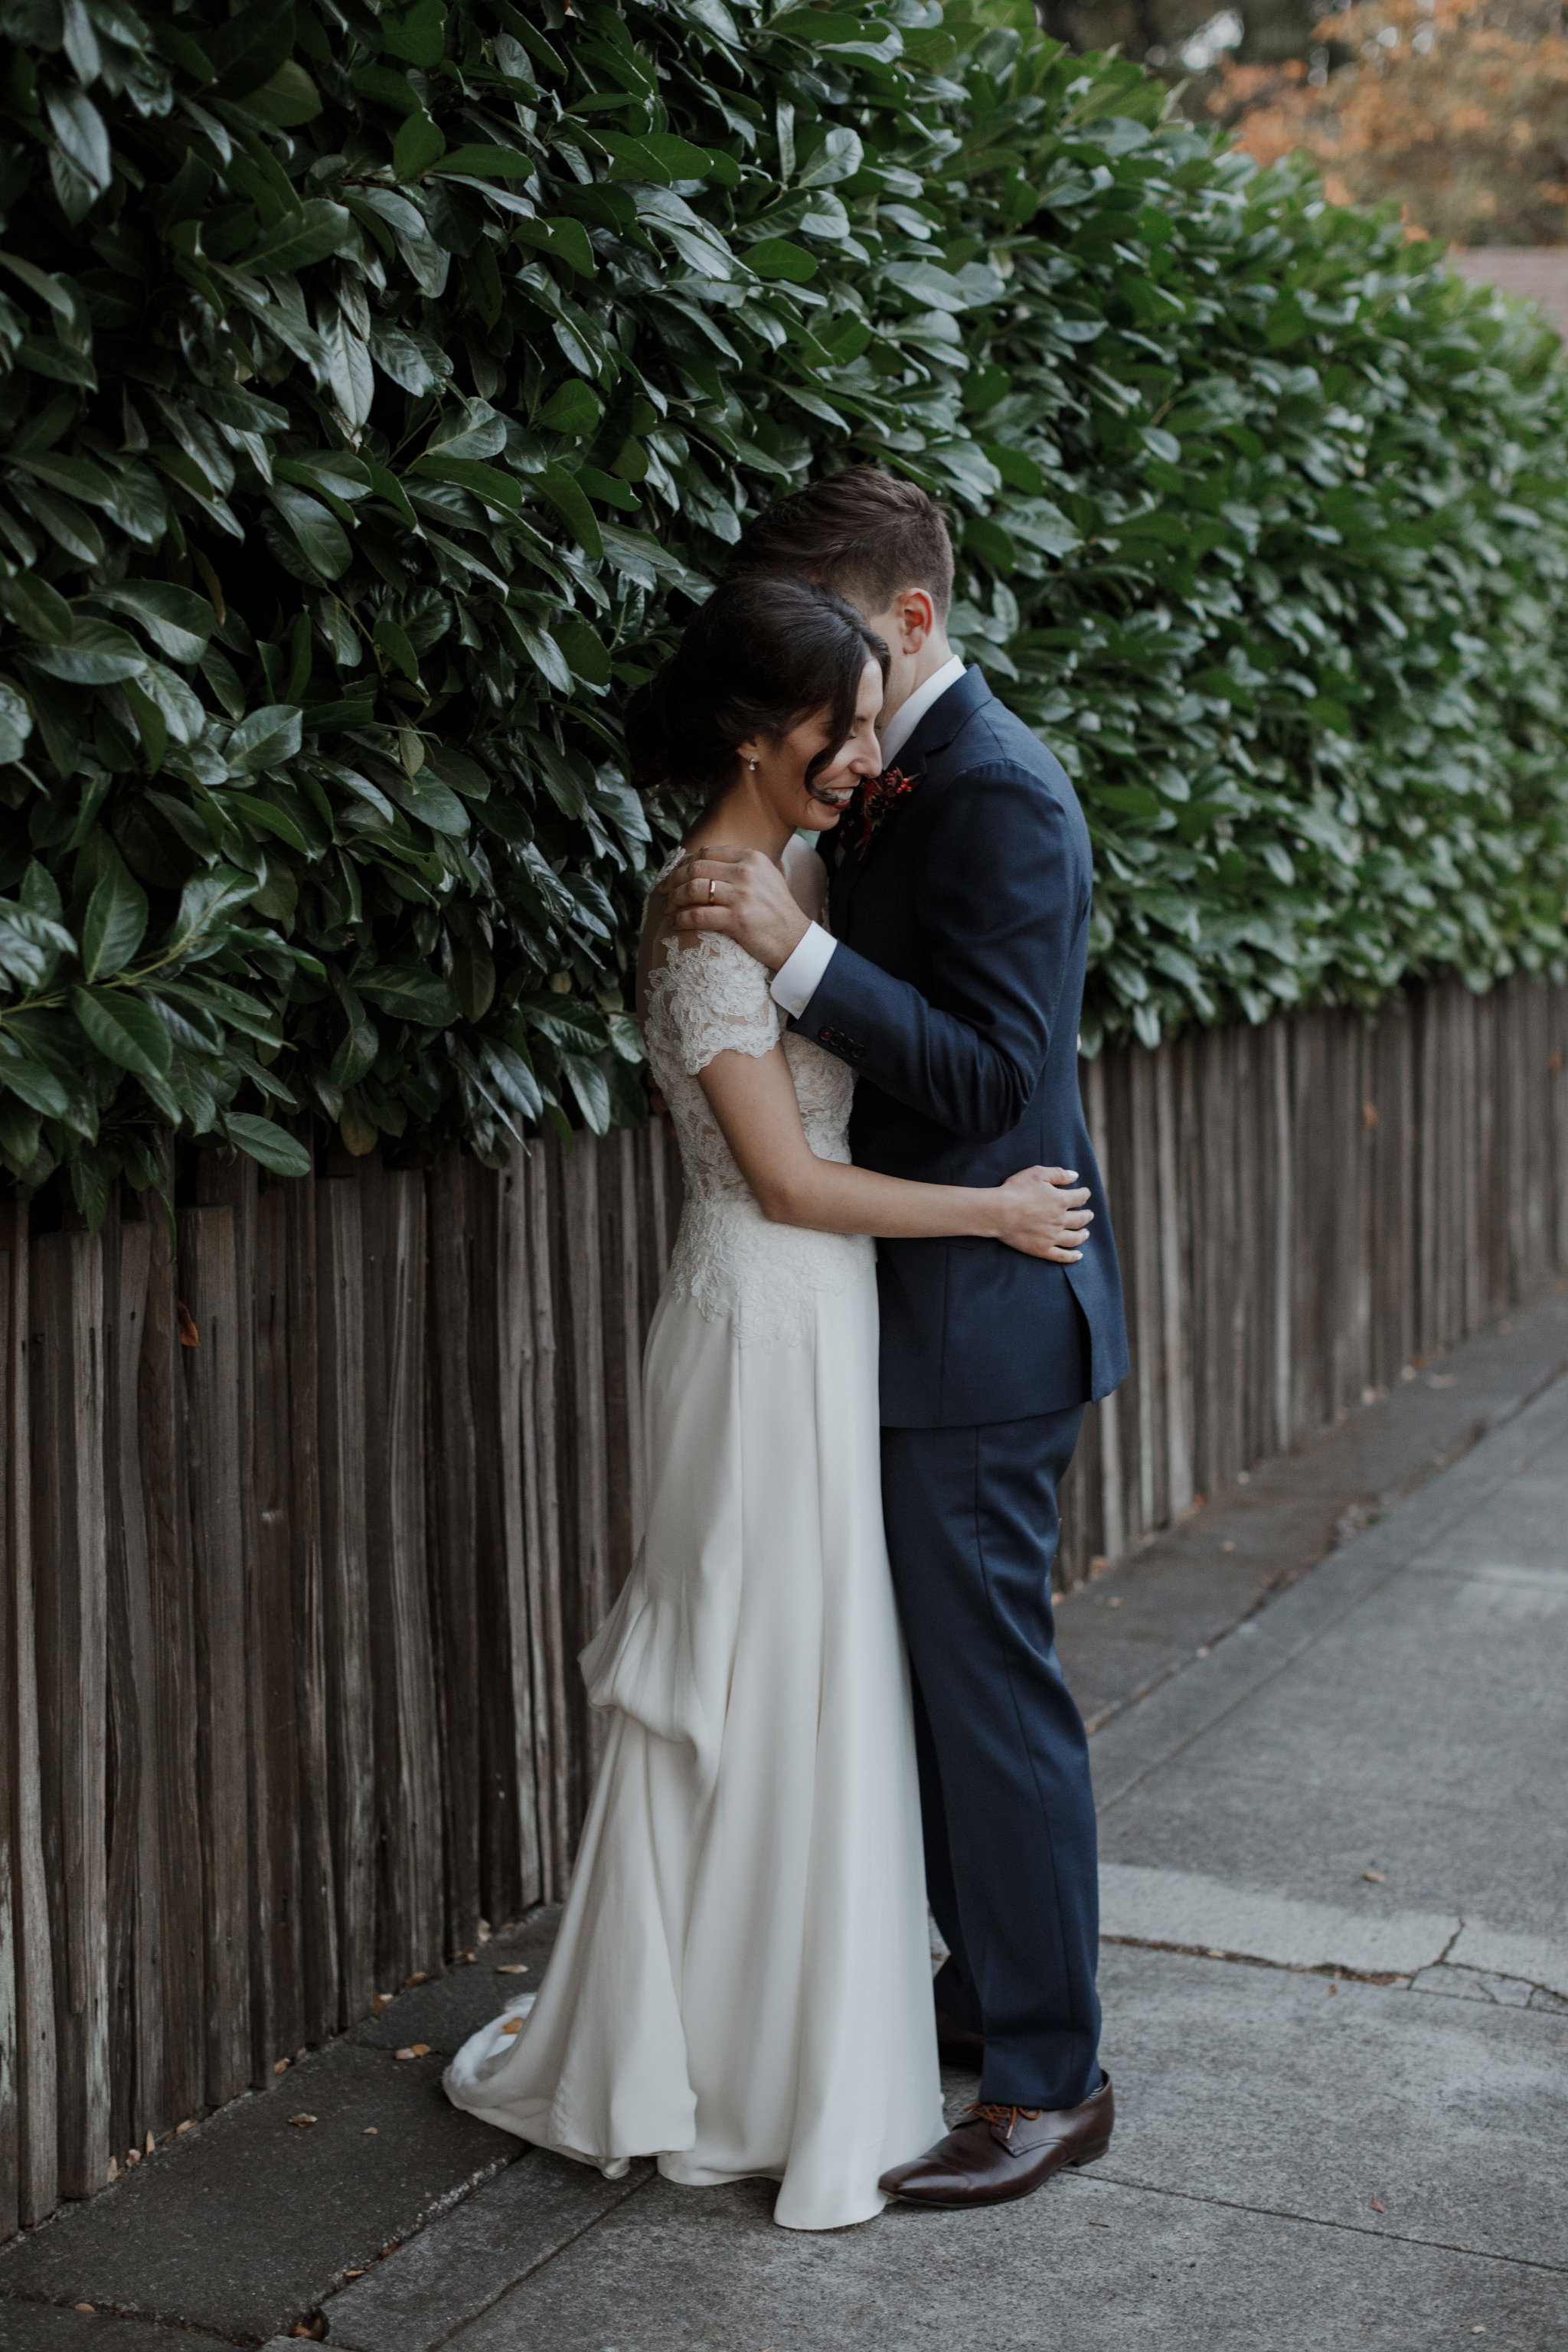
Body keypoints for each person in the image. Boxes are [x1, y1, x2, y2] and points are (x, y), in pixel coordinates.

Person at [443, 573, 1096, 2230]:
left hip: (839, 1327)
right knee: (743, 1679)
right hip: (761, 1324)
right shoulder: (703, 911)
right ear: (757, 734)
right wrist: (994, 1211)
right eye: (842, 728)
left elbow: (952, 1046)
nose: (870, 758)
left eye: (873, 722)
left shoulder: (808, 873)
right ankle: (710, 2043)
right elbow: (790, 1182)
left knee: (831, 1684)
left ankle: (827, 2024)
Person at [659, 467, 1130, 2210]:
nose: (818, 687)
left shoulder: (999, 792)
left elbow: (995, 1079)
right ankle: (979, 1988)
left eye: (835, 634)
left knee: (989, 1700)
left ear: (910, 618)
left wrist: (797, 954)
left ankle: (1050, 2080)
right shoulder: (878, 778)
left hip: (981, 1321)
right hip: (875, 1310)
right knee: (923, 1695)